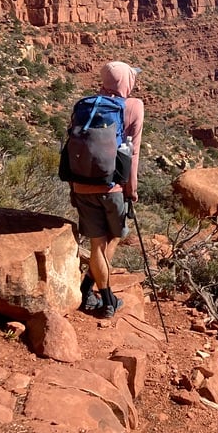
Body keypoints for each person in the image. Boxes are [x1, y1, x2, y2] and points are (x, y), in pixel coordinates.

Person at [71, 61, 144, 318]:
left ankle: (87, 288)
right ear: (127, 81)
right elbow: (133, 153)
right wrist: (131, 189)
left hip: (82, 185)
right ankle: (109, 301)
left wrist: (73, 186)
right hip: (113, 188)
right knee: (112, 239)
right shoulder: (134, 106)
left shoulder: (84, 105)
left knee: (97, 244)